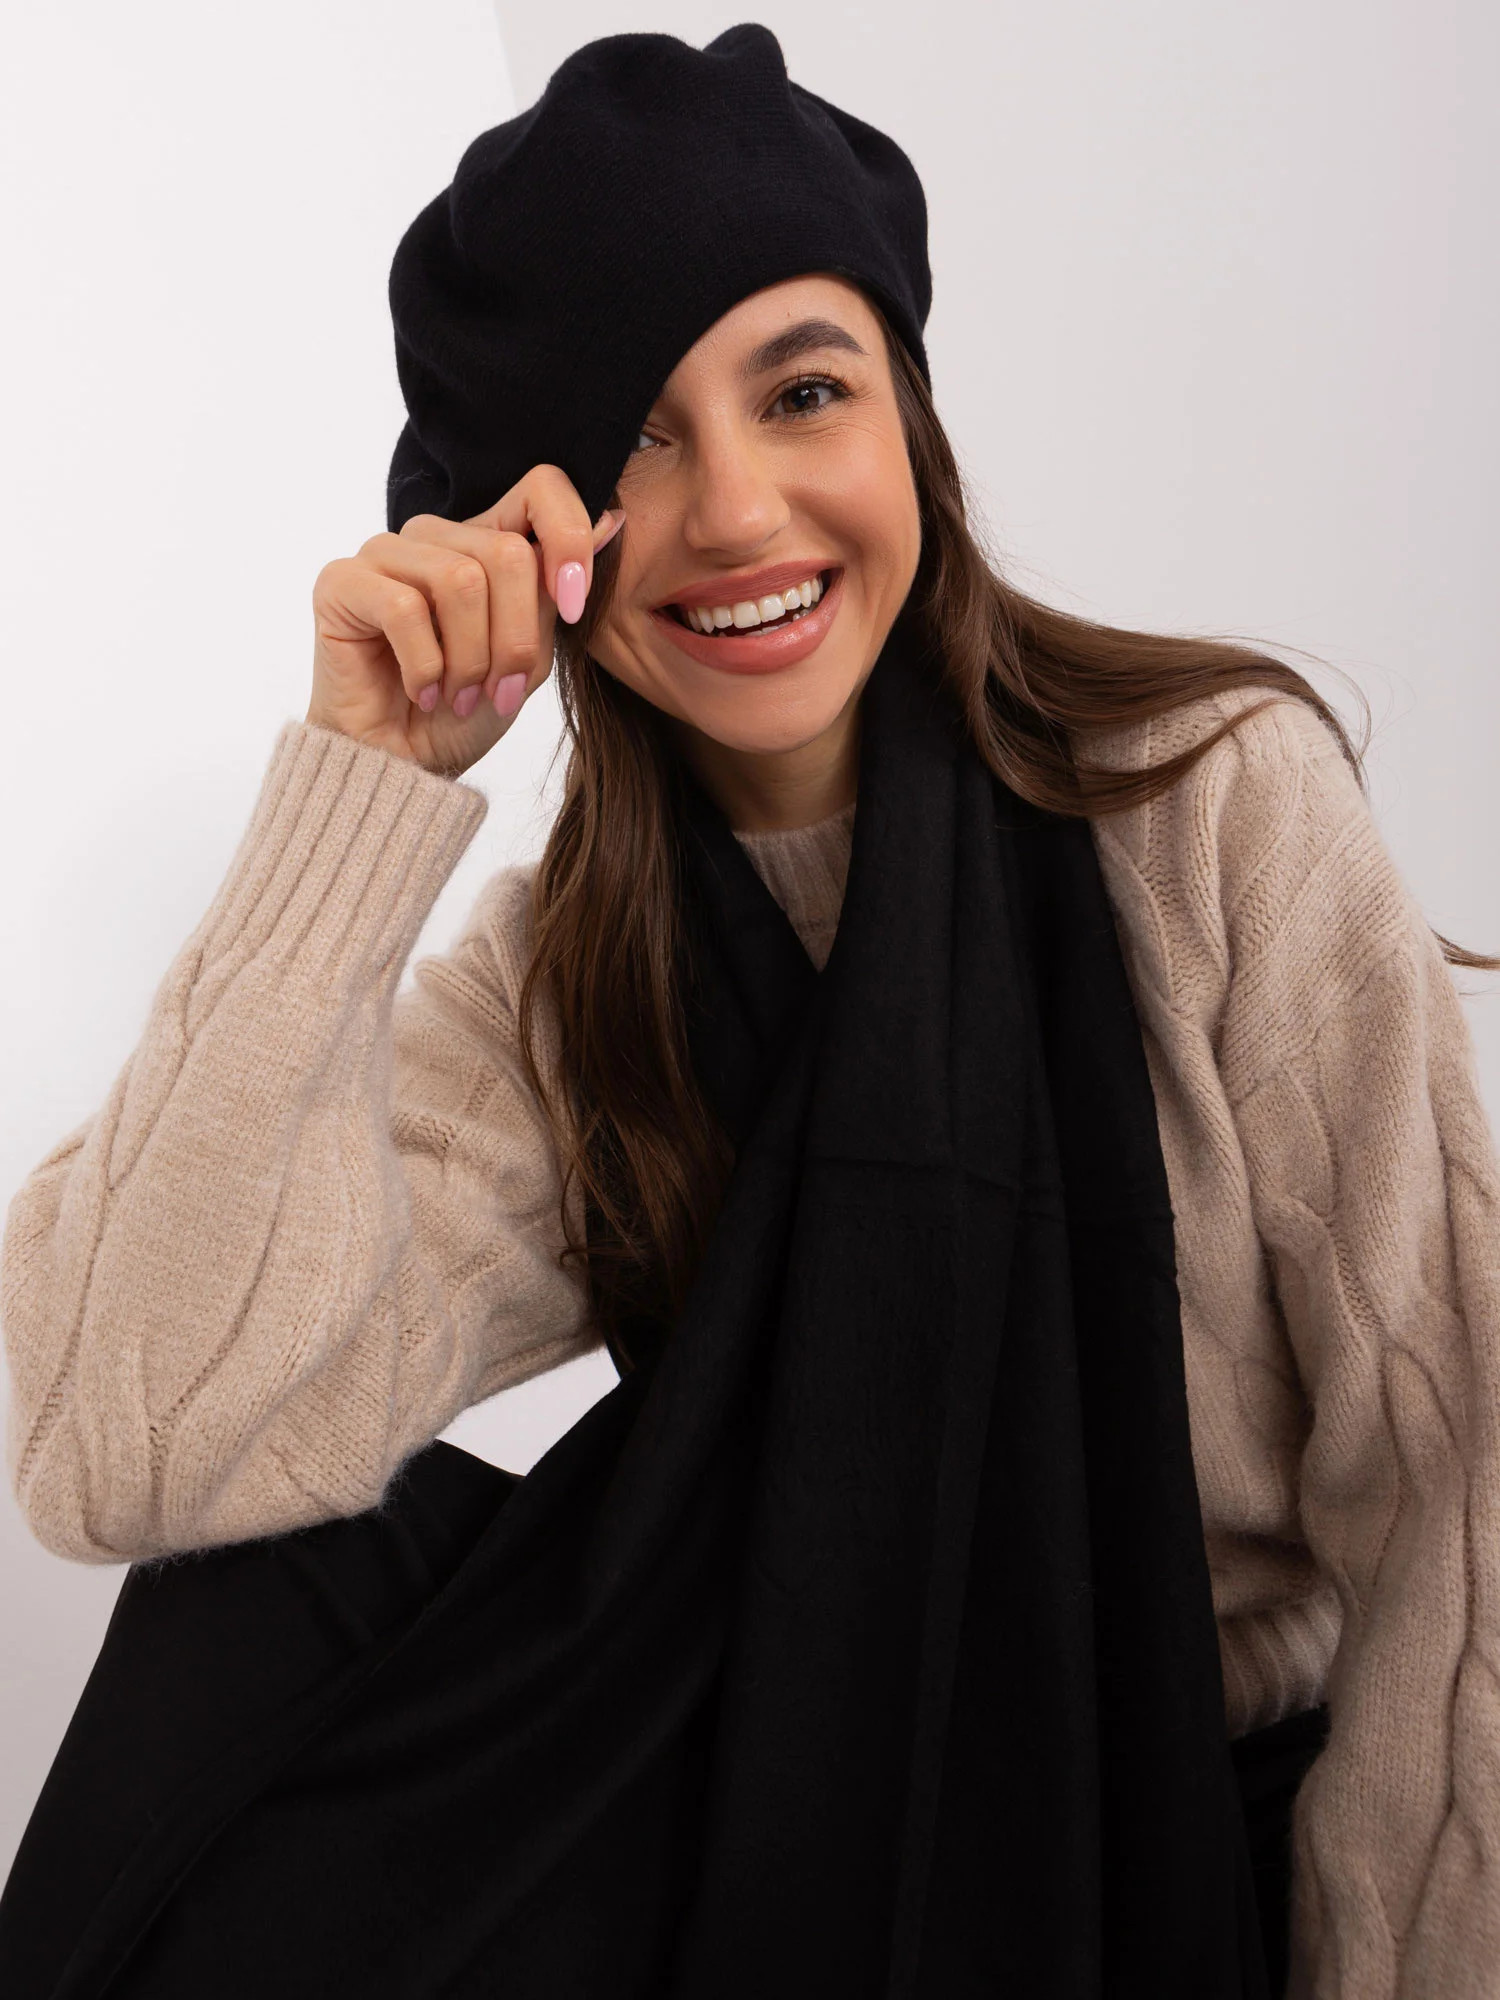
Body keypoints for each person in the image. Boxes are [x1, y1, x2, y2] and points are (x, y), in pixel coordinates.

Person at [3, 24, 1499, 2000]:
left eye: (804, 391)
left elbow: (1460, 1497)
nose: (733, 509)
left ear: (909, 420)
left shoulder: (1209, 809)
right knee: (275, 1605)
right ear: (527, 541)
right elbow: (123, 1447)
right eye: (631, 436)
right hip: (789, 1831)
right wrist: (356, 790)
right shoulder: (570, 985)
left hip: (1190, 1857)